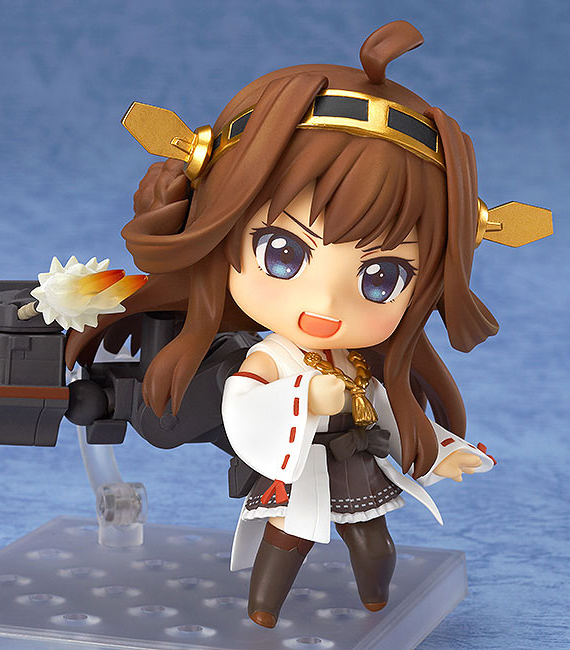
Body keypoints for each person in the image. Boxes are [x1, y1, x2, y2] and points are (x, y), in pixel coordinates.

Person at [66, 20, 500, 628]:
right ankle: (263, 613)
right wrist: (303, 397)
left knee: (373, 543)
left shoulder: (361, 363)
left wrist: (439, 453)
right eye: (283, 253)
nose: (325, 301)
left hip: (357, 464)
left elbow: (390, 410)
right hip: (299, 466)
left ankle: (376, 602)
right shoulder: (272, 356)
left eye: (381, 278)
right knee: (286, 540)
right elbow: (241, 402)